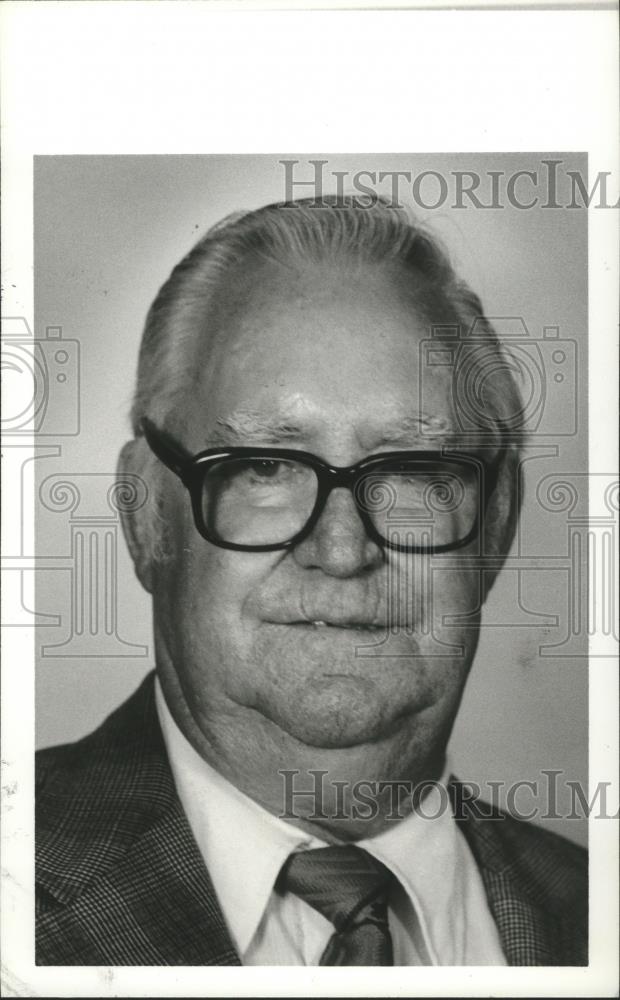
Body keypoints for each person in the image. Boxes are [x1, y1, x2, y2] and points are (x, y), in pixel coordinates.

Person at [36, 195, 587, 966]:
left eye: (413, 470)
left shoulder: (591, 912)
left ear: (497, 523)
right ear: (144, 516)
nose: (342, 549)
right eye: (264, 467)